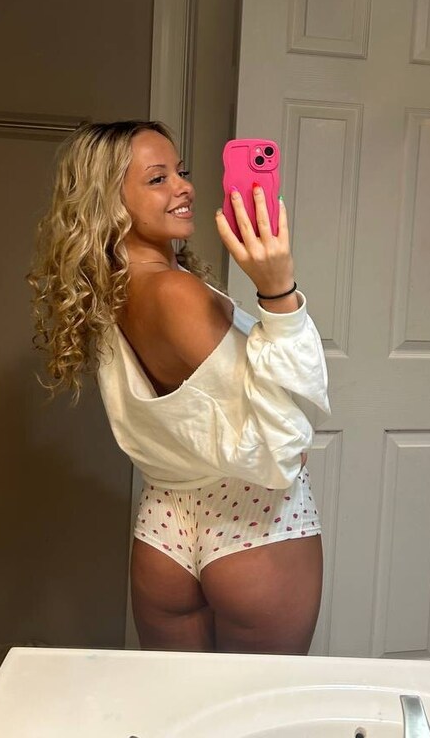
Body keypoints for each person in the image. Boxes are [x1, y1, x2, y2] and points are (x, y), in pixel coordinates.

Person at [28, 120, 330, 654]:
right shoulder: (174, 293)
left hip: (164, 531)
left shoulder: (112, 294)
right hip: (251, 525)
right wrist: (278, 290)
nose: (184, 187)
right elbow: (283, 446)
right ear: (109, 202)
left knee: (177, 703)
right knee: (258, 705)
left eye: (181, 172)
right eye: (157, 178)